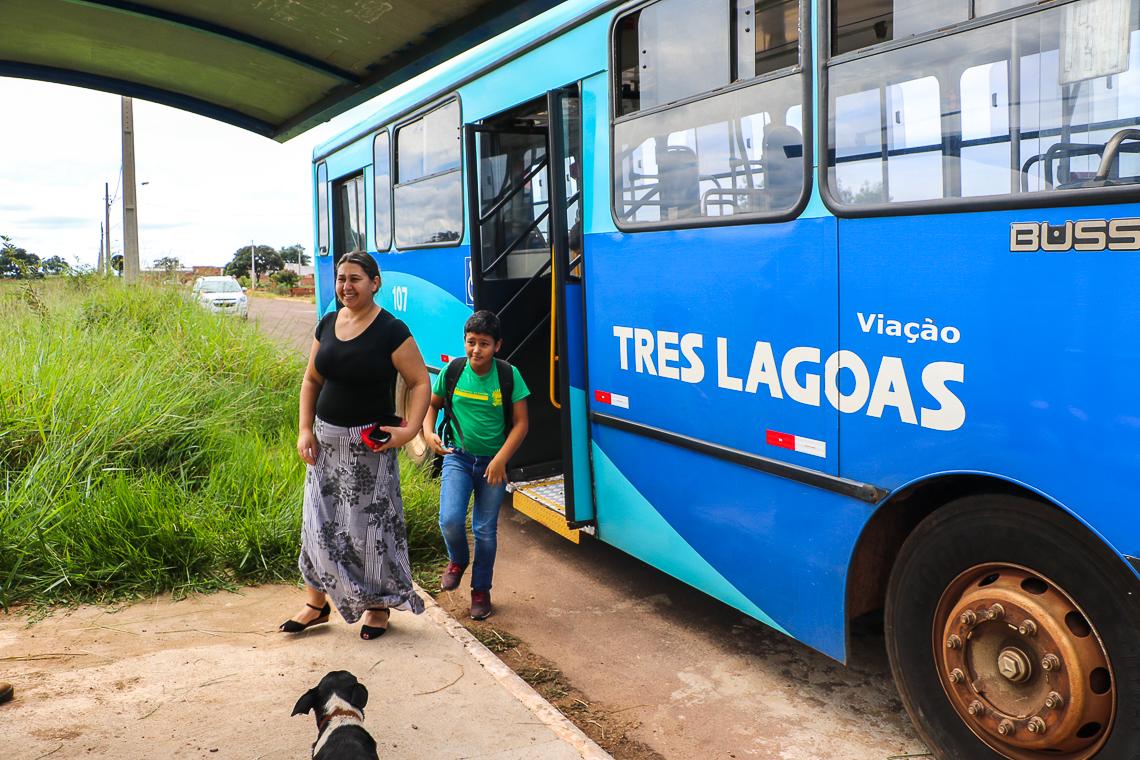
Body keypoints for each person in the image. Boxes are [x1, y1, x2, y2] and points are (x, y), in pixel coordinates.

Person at [281, 252, 431, 640]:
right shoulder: (328, 323)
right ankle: (316, 605)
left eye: (356, 279)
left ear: (374, 282)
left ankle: (377, 606)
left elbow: (419, 383)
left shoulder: (391, 330)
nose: (346, 286)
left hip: (370, 449)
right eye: (341, 279)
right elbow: (311, 380)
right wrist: (304, 429)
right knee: (317, 526)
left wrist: (410, 429)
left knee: (369, 531)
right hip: (325, 445)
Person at [423, 311, 529, 620]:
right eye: (471, 342)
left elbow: (521, 424)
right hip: (458, 457)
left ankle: (481, 591)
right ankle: (458, 560)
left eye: (484, 343)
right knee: (450, 520)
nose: (476, 350)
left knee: (485, 530)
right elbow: (433, 404)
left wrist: (500, 461)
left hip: (493, 465)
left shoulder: (509, 376)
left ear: (498, 346)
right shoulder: (453, 370)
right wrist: (428, 432)